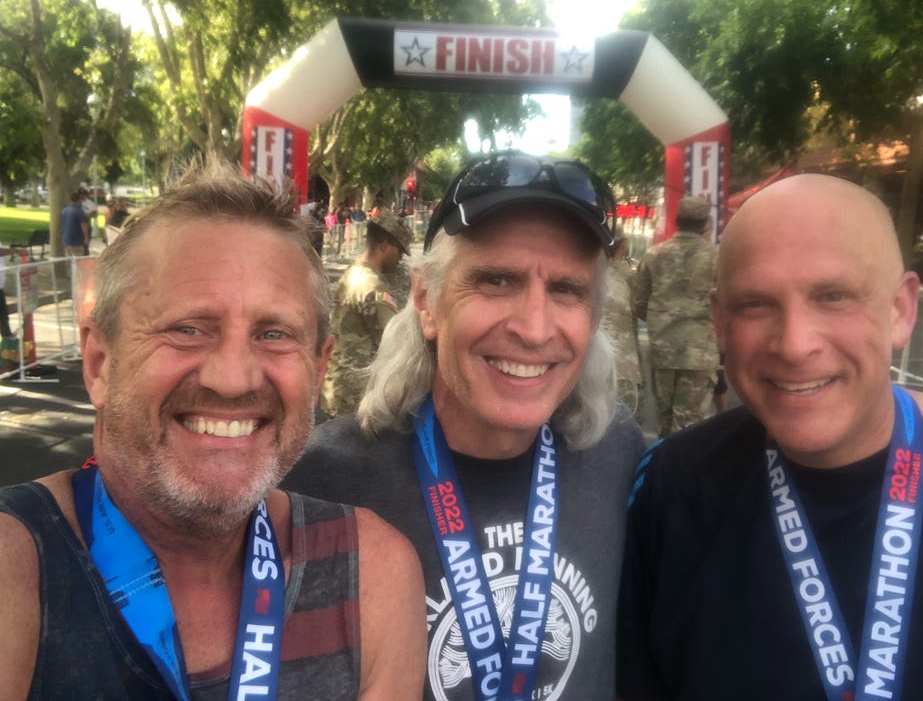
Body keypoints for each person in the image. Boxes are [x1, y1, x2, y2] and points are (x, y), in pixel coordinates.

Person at [0, 161, 426, 700]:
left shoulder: (373, 577)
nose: (232, 379)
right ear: (99, 362)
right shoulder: (16, 572)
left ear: (319, 370)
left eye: (274, 334)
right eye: (189, 329)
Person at [616, 174, 923, 700]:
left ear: (901, 310)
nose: (794, 344)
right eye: (756, 304)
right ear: (719, 321)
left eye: (834, 296)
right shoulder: (669, 489)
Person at [285, 150, 647, 701]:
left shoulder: (618, 453)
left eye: (567, 290)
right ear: (426, 302)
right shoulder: (319, 485)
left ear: (595, 317)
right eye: (497, 280)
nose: (533, 327)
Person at [632, 195, 719, 436]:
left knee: (664, 420)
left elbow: (638, 302)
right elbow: (729, 302)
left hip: (664, 349)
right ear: (705, 224)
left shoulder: (654, 255)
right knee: (690, 424)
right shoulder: (718, 257)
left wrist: (660, 321)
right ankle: (683, 471)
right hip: (700, 352)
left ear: (678, 220)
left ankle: (663, 468)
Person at [320, 209, 412, 417]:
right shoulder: (373, 286)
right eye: (399, 251)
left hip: (338, 387)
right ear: (384, 247)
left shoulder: (354, 273)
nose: (400, 259)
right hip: (355, 397)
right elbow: (394, 343)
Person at [604, 230, 643, 418]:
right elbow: (640, 306)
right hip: (624, 366)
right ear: (623, 247)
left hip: (588, 367)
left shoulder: (586, 271)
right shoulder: (626, 274)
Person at [60, 189, 90, 256]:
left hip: (66, 240)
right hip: (77, 241)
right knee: (78, 261)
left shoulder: (64, 210)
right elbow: (84, 225)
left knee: (68, 261)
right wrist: (86, 237)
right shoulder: (79, 211)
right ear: (79, 200)